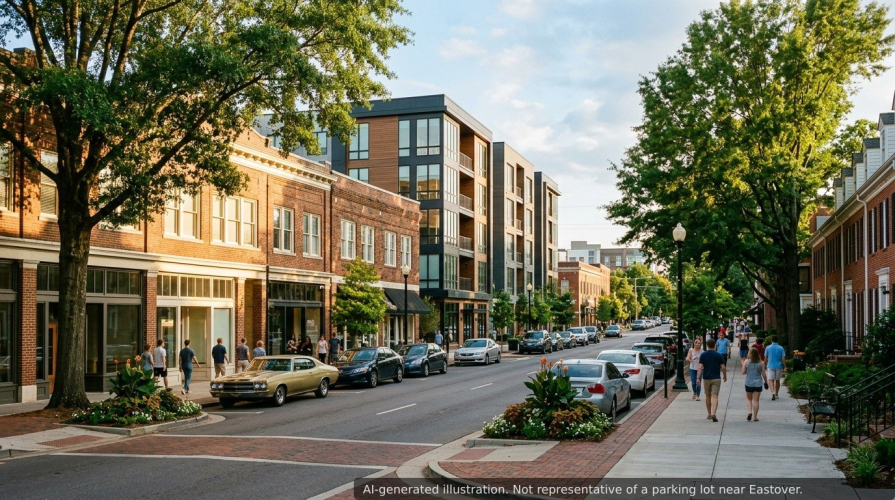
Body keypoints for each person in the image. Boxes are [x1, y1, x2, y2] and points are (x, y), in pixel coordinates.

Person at [696, 338, 727, 422]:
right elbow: (723, 367)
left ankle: (709, 414)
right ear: (715, 345)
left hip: (706, 378)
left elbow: (700, 367)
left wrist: (698, 378)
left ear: (707, 345)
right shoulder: (719, 355)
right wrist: (725, 375)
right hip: (716, 378)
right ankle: (714, 413)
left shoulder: (703, 355)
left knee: (708, 396)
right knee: (715, 396)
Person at [742, 347, 768, 421]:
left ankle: (749, 412)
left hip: (748, 382)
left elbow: (743, 372)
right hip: (758, 383)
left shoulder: (746, 362)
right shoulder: (761, 362)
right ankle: (755, 417)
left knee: (749, 399)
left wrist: (743, 365)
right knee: (756, 400)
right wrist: (765, 382)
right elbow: (764, 374)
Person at [764, 335, 786, 401]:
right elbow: (783, 358)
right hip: (778, 366)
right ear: (777, 340)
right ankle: (776, 394)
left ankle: (772, 392)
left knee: (770, 380)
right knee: (777, 380)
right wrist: (785, 366)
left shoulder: (768, 348)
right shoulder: (781, 348)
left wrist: (764, 364)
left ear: (771, 340)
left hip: (770, 365)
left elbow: (766, 357)